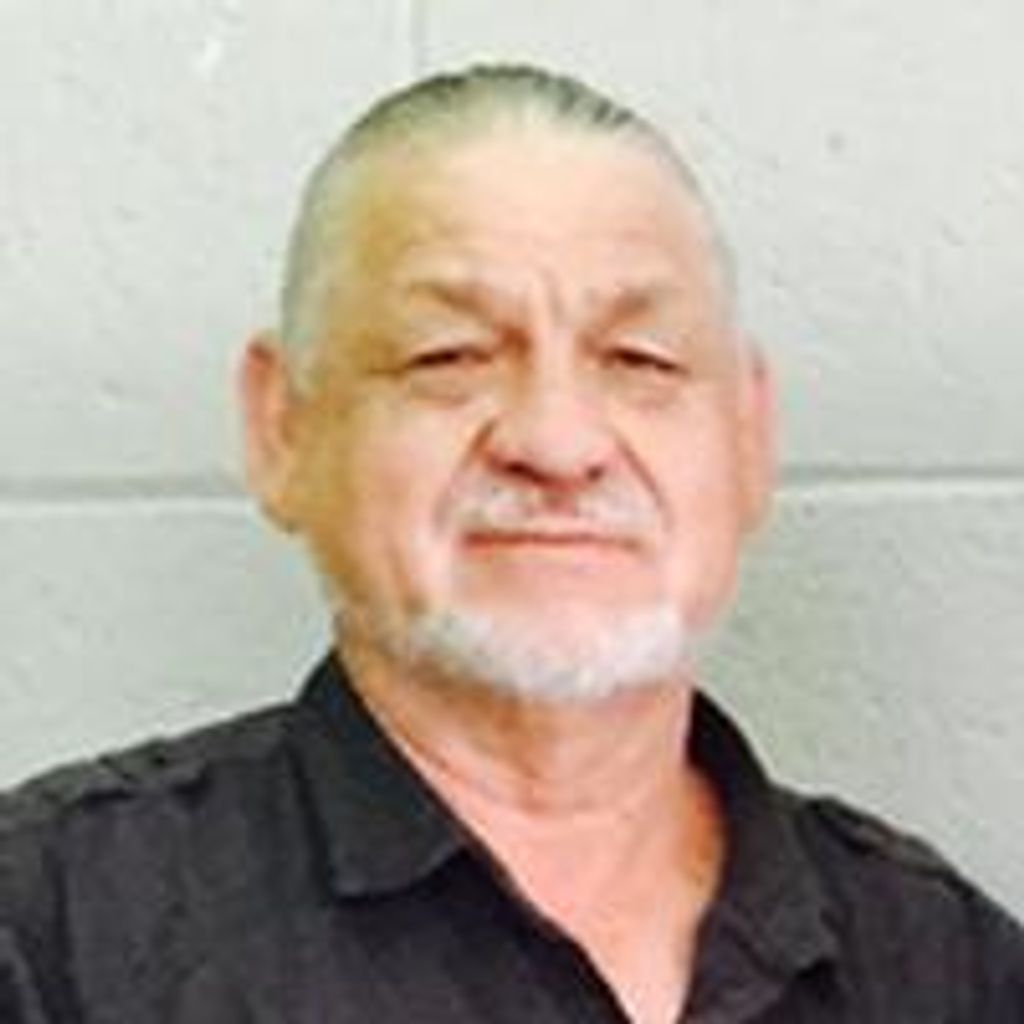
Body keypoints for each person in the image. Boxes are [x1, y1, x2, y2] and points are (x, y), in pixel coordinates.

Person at [1, 63, 1022, 1024]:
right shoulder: (57, 940)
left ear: (748, 441)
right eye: (450, 355)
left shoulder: (940, 965)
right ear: (284, 429)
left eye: (640, 359)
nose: (558, 443)